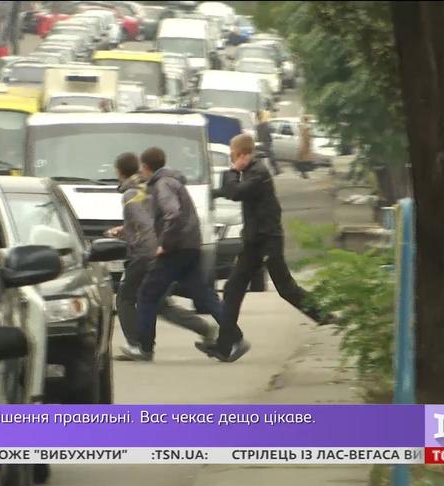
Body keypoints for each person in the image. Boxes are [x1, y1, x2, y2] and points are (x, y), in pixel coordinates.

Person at [198, 134, 331, 363]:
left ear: (242, 155)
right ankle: (226, 345)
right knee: (232, 288)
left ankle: (326, 318)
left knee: (285, 288)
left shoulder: (259, 173)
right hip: (254, 242)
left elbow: (236, 192)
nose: (232, 160)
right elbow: (230, 191)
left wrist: (232, 171)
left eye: (233, 156)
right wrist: (208, 193)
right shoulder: (250, 172)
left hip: (268, 240)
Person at [109, 153, 218, 362]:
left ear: (119, 171)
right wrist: (125, 230)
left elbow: (145, 224)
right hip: (158, 250)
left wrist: (148, 249)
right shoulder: (146, 188)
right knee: (159, 303)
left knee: (125, 297)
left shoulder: (130, 193)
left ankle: (137, 344)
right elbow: (151, 219)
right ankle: (204, 328)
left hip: (145, 254)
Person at [256, 110, 281, 175]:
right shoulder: (265, 125)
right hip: (266, 143)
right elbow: (271, 131)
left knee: (268, 155)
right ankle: (276, 169)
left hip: (263, 143)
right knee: (270, 155)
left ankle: (276, 169)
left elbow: (259, 136)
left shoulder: (259, 126)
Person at [295, 114, 313, 179]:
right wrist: (309, 145)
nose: (310, 120)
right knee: (305, 160)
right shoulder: (307, 128)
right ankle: (304, 174)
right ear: (307, 120)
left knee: (302, 159)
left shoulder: (302, 127)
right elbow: (307, 137)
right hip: (305, 145)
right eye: (309, 119)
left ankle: (303, 173)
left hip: (302, 144)